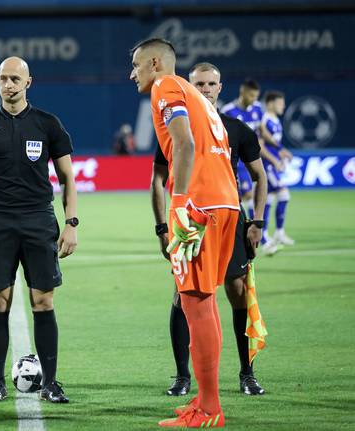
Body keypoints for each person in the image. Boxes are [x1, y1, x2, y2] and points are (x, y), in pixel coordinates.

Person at [130, 38, 239, 428]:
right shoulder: (197, 95)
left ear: (155, 63)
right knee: (204, 302)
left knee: (195, 303)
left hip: (198, 206)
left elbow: (185, 143)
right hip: (225, 203)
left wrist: (179, 203)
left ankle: (209, 409)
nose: (133, 75)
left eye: (137, 66)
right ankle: (205, 398)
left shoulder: (166, 86)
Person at [0, 56, 78, 404]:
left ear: (28, 82)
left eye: (15, 79)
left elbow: (69, 178)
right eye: (3, 79)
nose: (8, 85)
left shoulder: (48, 124)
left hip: (39, 220)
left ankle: (51, 383)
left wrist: (71, 223)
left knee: (43, 301)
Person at [151, 62, 268, 399]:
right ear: (189, 86)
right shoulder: (178, 126)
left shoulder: (237, 129)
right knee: (183, 294)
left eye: (210, 84)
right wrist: (162, 226)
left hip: (228, 222)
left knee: (236, 291)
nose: (204, 90)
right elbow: (157, 179)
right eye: (198, 84)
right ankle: (182, 376)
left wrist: (257, 222)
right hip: (190, 221)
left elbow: (261, 177)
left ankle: (247, 373)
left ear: (220, 87)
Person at [221, 79, 263, 220]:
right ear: (242, 92)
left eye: (256, 96)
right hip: (236, 161)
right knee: (245, 195)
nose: (254, 99)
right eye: (251, 95)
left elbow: (260, 133)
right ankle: (248, 225)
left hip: (251, 159)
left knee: (250, 194)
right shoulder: (228, 111)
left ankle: (250, 225)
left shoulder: (257, 109)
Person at [259, 91, 295, 247]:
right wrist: (274, 160)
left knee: (269, 198)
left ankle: (268, 233)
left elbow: (273, 144)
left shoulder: (276, 121)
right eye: (280, 103)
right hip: (267, 165)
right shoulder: (265, 120)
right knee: (283, 194)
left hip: (273, 165)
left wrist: (281, 153)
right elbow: (260, 145)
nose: (283, 106)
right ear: (270, 103)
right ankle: (272, 233)